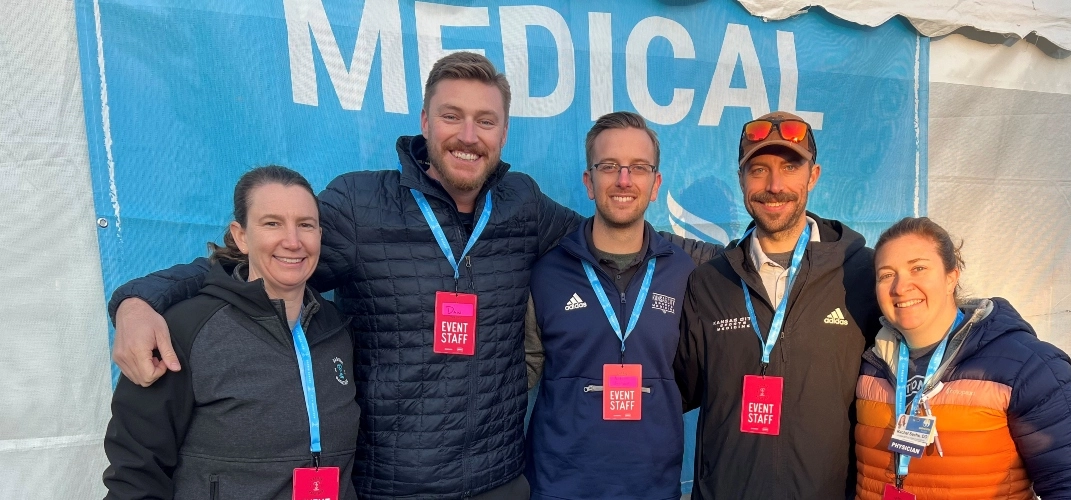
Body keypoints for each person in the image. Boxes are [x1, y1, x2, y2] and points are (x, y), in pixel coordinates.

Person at [105, 53, 713, 499]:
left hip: (499, 481)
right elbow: (263, 256)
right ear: (425, 120)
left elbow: (611, 233)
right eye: (453, 116)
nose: (468, 136)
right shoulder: (359, 206)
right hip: (394, 485)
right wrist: (137, 299)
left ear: (504, 132)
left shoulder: (523, 207)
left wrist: (749, 260)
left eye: (486, 121)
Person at [102, 166, 359, 499]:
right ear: (241, 236)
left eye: (305, 225)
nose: (293, 241)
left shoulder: (337, 329)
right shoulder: (185, 329)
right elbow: (135, 474)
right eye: (272, 223)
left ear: (320, 236)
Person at [674, 111, 880, 499]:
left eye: (789, 167)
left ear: (813, 176)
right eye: (758, 170)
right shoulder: (709, 283)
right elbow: (678, 388)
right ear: (741, 180)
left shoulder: (862, 275)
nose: (774, 185)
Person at [524, 112, 705, 499]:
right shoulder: (547, 272)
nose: (624, 180)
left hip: (652, 487)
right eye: (609, 167)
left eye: (638, 168)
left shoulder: (685, 272)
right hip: (560, 487)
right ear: (589, 182)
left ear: (655, 184)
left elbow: (693, 377)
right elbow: (522, 375)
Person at [854, 217, 1071, 499]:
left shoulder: (1030, 366)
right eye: (886, 275)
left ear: (951, 276)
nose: (900, 287)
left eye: (918, 268)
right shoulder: (868, 363)